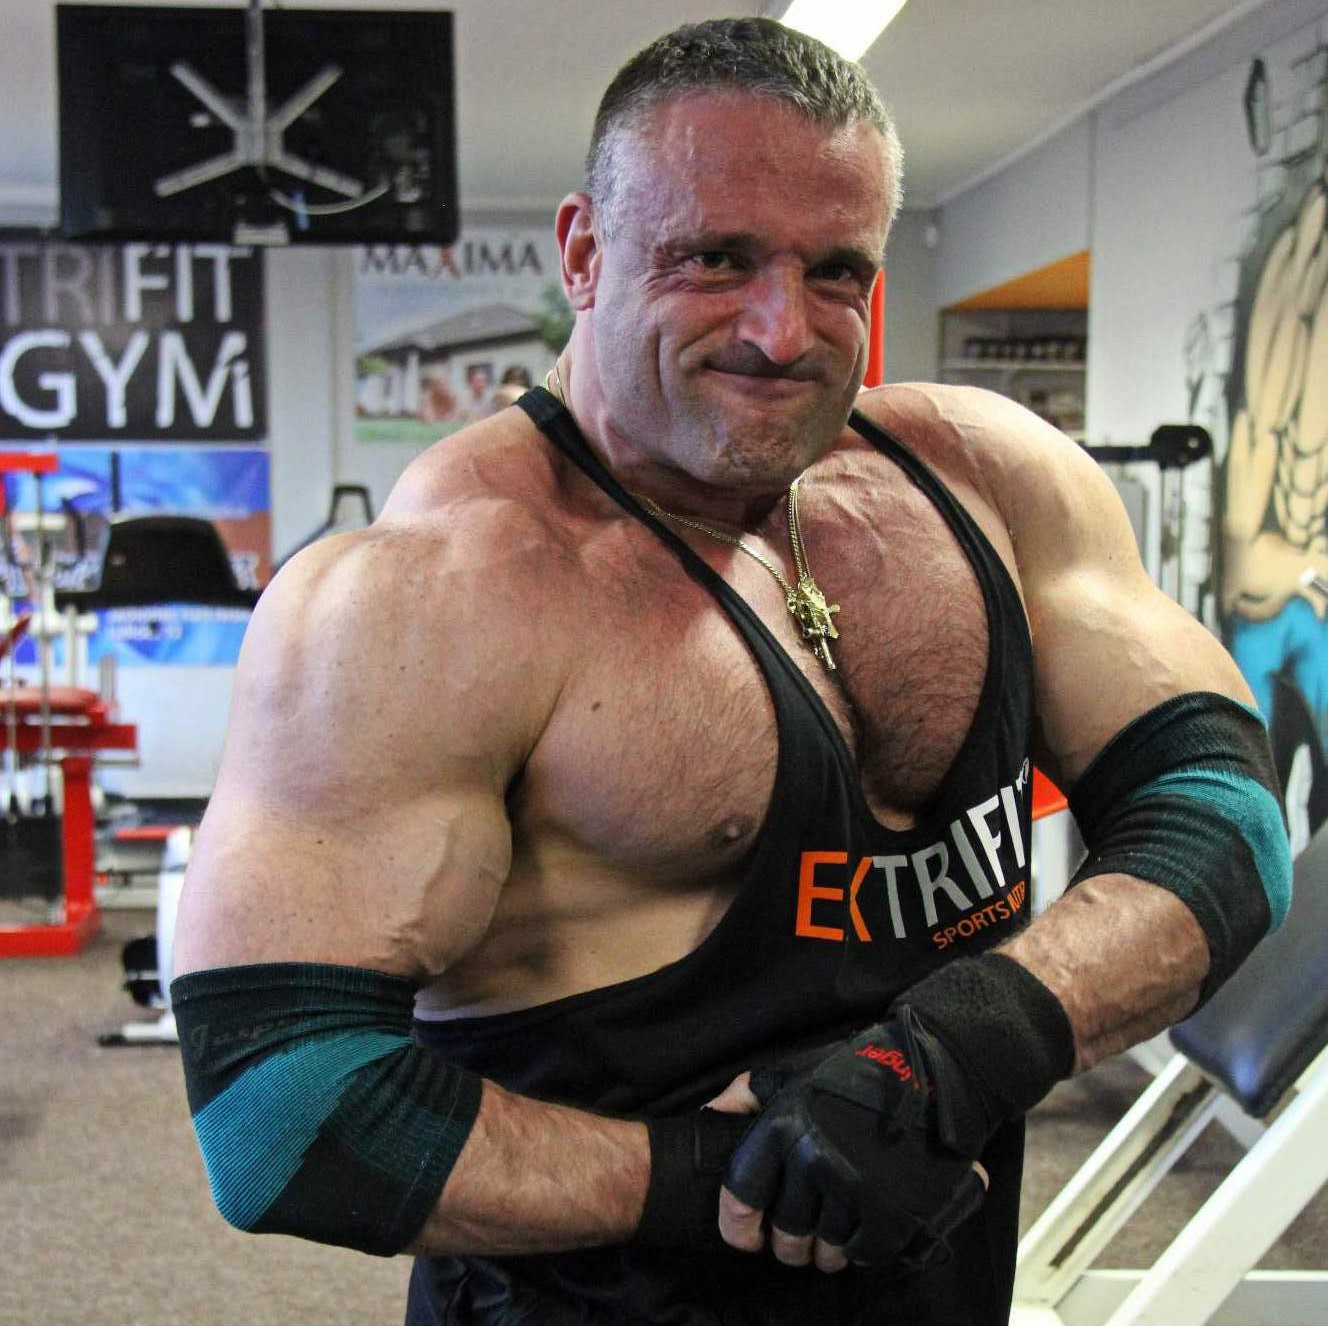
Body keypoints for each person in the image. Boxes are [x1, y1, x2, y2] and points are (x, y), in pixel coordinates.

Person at [169, 18, 1291, 1326]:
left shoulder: (990, 477)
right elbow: (280, 1110)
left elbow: (1223, 817)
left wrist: (959, 1050)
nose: (781, 330)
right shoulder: (425, 598)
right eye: (716, 259)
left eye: (836, 272)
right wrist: (729, 1178)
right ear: (583, 253)